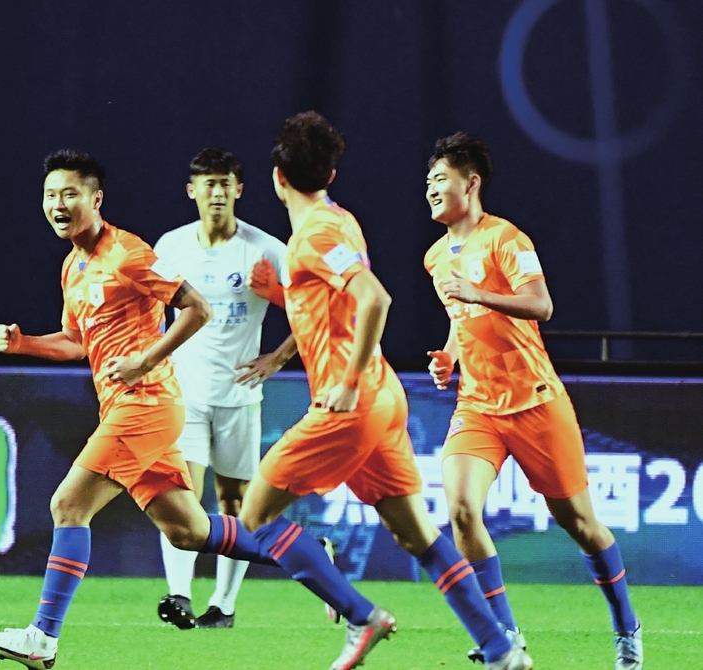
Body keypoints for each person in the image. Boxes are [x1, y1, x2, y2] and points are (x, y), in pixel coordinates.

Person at [241, 111, 532, 670]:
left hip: (349, 403)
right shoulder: (340, 220)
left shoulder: (315, 236)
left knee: (255, 517)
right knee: (418, 536)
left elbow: (374, 298)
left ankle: (360, 614)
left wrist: (348, 382)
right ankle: (500, 648)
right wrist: (280, 295)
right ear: (330, 174)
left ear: (278, 178)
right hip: (383, 396)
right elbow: (330, 310)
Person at [0, 149, 281, 669]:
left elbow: (197, 309)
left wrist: (145, 360)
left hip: (146, 403)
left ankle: (42, 638)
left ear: (96, 199)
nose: (58, 204)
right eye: (50, 195)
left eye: (70, 194)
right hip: (128, 404)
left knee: (69, 505)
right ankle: (305, 552)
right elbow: (76, 341)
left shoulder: (129, 252)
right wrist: (25, 343)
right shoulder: (73, 266)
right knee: (188, 530)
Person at [422, 132, 643, 670]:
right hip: (478, 405)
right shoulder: (434, 258)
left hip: (535, 402)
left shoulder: (506, 238)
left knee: (580, 523)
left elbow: (540, 304)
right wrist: (449, 356)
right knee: (460, 509)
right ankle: (505, 637)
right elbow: (461, 320)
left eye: (440, 179)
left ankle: (627, 628)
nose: (430, 188)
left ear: (471, 184)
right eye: (427, 180)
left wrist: (479, 293)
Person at [152, 148, 288, 629]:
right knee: (181, 495)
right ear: (192, 190)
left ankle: (224, 606)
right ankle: (179, 596)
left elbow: (313, 308)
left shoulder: (266, 249)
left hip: (239, 396)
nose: (216, 192)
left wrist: (277, 358)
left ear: (239, 190)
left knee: (234, 502)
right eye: (207, 183)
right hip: (184, 394)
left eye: (225, 183)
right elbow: (150, 310)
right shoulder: (170, 247)